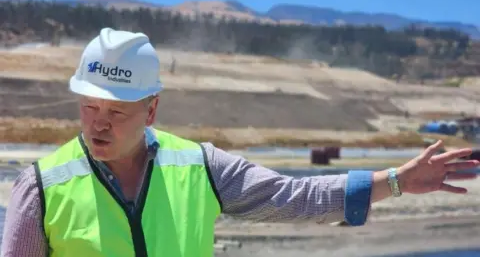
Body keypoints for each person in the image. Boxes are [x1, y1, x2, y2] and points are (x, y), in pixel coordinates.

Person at [1, 28, 478, 257]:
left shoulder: (199, 166)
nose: (98, 124)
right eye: (89, 107)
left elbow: (293, 196)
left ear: (151, 110)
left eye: (116, 112)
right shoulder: (41, 187)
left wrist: (395, 181)